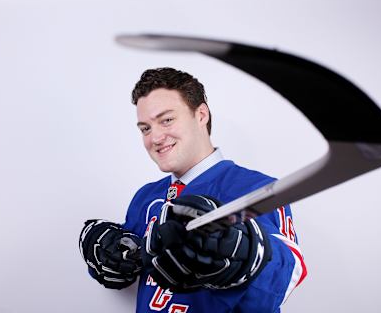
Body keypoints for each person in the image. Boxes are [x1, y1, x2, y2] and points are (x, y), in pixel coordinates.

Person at [79, 67, 307, 312]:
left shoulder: (258, 188)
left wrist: (243, 254)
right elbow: (130, 268)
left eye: (166, 120)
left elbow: (288, 277)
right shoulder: (146, 197)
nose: (154, 138)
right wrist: (108, 255)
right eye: (145, 128)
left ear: (201, 115)